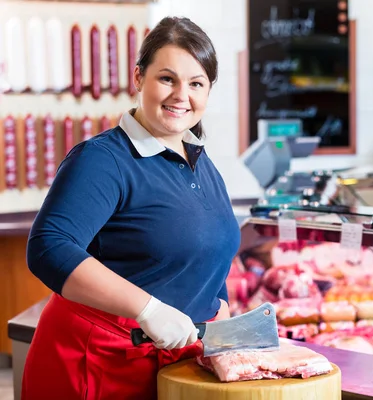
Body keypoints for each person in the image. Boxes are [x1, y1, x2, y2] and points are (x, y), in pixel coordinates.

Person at [21, 16, 241, 400]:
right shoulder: (103, 159)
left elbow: (207, 246)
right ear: (139, 78)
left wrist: (218, 306)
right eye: (167, 78)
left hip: (175, 363)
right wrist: (148, 310)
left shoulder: (200, 161)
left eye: (196, 84)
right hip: (97, 364)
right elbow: (49, 247)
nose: (181, 95)